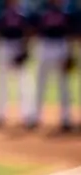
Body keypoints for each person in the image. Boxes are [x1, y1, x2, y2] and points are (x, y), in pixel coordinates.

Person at [24, 0, 73, 132]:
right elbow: (32, 29)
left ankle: (66, 118)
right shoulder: (41, 9)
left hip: (61, 45)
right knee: (40, 84)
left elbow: (71, 33)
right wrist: (27, 47)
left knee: (64, 85)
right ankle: (35, 117)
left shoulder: (68, 11)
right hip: (44, 45)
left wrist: (70, 52)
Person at [0, 0, 30, 127]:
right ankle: (1, 114)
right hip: (4, 46)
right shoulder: (1, 14)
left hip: (17, 45)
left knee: (22, 82)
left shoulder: (22, 14)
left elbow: (27, 32)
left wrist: (24, 50)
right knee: (2, 81)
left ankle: (25, 114)